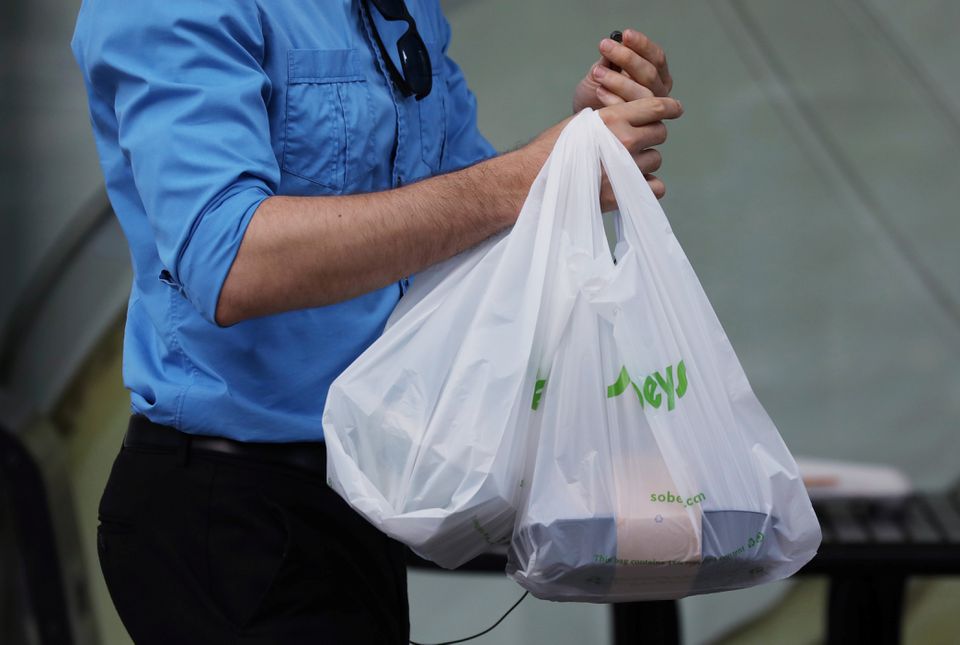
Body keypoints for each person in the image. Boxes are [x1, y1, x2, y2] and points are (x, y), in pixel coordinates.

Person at [71, 1, 681, 643]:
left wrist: (578, 145)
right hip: (231, 510)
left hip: (365, 492)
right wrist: (526, 180)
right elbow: (233, 262)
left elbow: (457, 223)